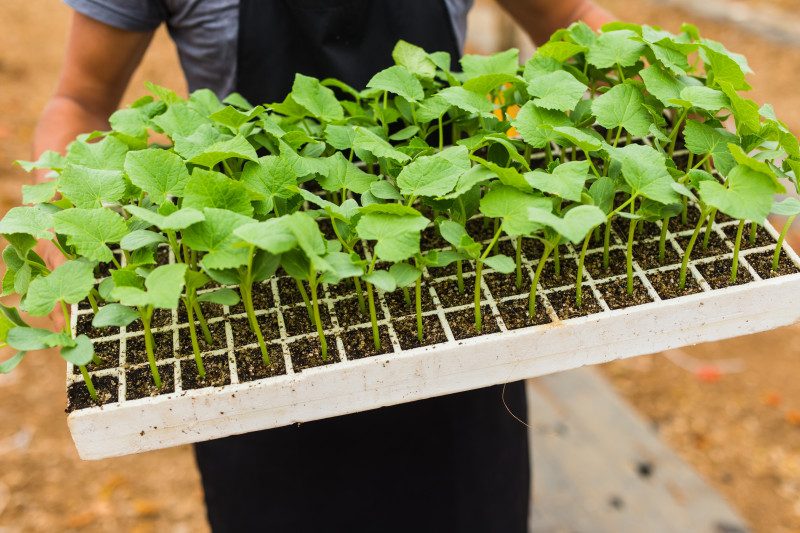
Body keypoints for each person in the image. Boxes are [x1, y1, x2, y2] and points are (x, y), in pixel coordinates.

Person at [35, 1, 614, 531]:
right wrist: (60, 201)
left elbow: (575, 22)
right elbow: (81, 98)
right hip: (253, 314)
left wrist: (657, 81)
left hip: (447, 294)